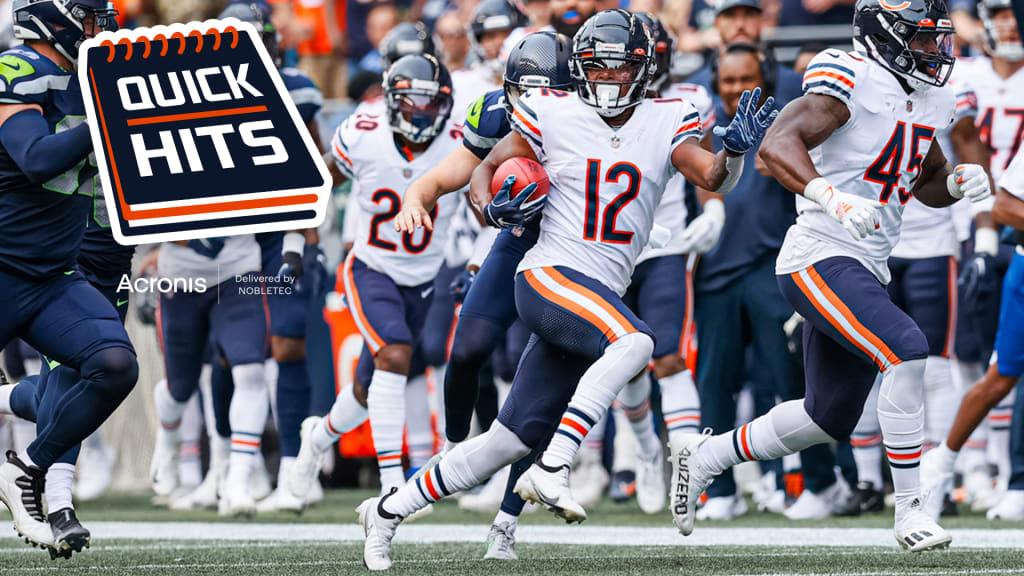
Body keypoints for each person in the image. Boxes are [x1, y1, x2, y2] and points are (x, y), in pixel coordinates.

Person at [357, 10, 772, 570]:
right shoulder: (550, 111)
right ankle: (555, 465)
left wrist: (735, 153)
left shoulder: (668, 115)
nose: (607, 80)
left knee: (505, 441)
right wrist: (464, 199)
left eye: (619, 69)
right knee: (637, 343)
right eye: (596, 69)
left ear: (644, 70)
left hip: (597, 292)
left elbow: (710, 175)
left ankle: (387, 512)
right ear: (578, 69)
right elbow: (480, 165)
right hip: (549, 274)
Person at [670, 0, 991, 552]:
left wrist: (958, 183)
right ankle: (912, 509)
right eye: (921, 38)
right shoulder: (851, 76)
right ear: (885, 37)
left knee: (826, 416)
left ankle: (706, 457)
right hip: (817, 253)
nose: (934, 50)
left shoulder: (932, 97)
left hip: (865, 261)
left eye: (937, 38)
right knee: (908, 349)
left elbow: (924, 176)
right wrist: (831, 197)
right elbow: (778, 142)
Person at [288, 54, 462, 499]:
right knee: (396, 356)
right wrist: (297, 233)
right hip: (372, 267)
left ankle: (318, 437)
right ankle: (392, 486)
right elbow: (322, 179)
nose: (421, 113)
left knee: (368, 387)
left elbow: (480, 194)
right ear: (390, 101)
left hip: (423, 278)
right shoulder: (364, 132)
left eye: (430, 104)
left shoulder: (460, 138)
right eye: (411, 103)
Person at [0, 0, 137, 554]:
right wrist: (107, 121)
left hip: (53, 273)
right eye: (88, 18)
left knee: (113, 364)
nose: (99, 28)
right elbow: (34, 156)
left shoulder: (94, 82)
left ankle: (24, 470)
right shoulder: (16, 67)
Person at [919, 0, 1024, 514]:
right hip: (978, 221)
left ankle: (1006, 469)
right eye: (998, 12)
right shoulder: (963, 76)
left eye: (1013, 13)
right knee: (978, 354)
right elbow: (963, 153)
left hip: (1002, 215)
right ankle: (975, 466)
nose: (1007, 23)